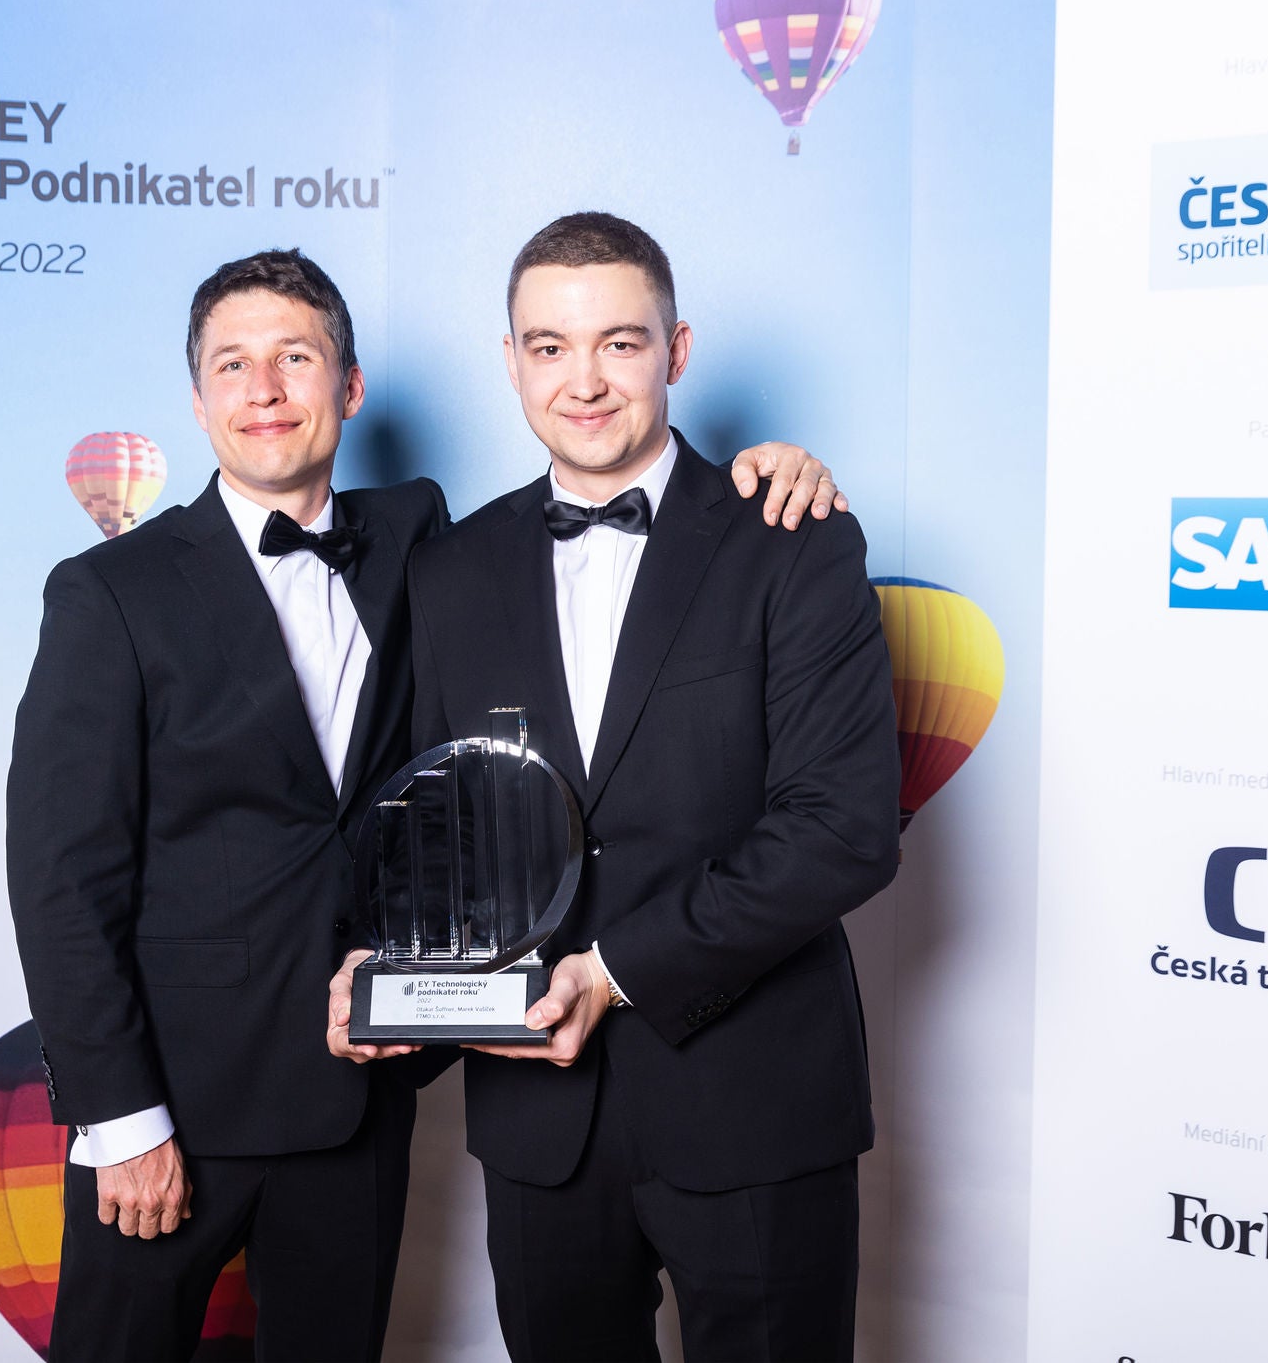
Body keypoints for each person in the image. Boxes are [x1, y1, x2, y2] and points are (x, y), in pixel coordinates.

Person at [7, 247, 846, 1362]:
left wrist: (776, 466)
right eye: (232, 366)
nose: (265, 390)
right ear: (197, 400)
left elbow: (447, 805)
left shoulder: (421, 544)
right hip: (175, 1101)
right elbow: (61, 878)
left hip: (368, 1099)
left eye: (295, 358)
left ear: (350, 387)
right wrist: (118, 1117)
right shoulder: (109, 592)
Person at [332, 213, 901, 1362]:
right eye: (548, 346)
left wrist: (614, 972)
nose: (582, 381)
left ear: (675, 351)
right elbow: (439, 830)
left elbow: (839, 831)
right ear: (509, 362)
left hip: (752, 1108)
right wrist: (391, 977)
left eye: (619, 344)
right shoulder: (450, 570)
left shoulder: (792, 538)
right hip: (539, 1130)